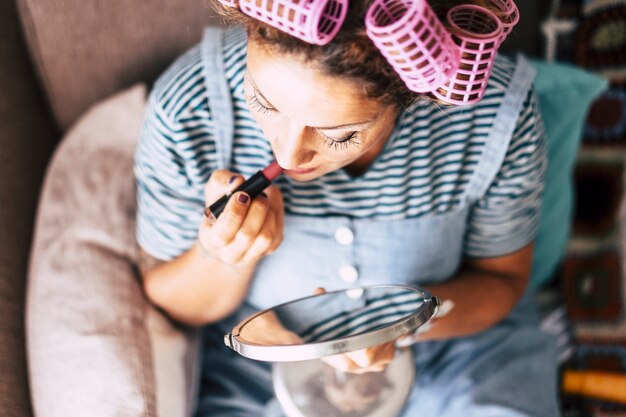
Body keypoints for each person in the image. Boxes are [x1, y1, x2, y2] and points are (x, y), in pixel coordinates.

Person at [134, 0, 559, 416]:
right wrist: (224, 255)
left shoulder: (495, 112)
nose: (287, 153)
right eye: (263, 103)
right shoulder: (190, 109)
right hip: (260, 372)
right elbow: (175, 305)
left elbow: (501, 280)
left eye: (338, 135)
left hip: (456, 356)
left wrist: (403, 324)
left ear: (408, 97)